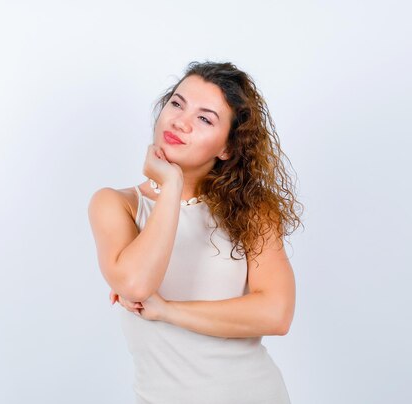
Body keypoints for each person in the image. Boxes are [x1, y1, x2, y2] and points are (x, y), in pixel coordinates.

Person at [88, 61, 303, 404]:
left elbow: (276, 314)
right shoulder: (116, 204)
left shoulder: (251, 210)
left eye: (205, 118)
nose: (180, 122)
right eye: (177, 103)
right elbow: (136, 284)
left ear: (227, 148)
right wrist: (170, 184)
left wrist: (169, 310)